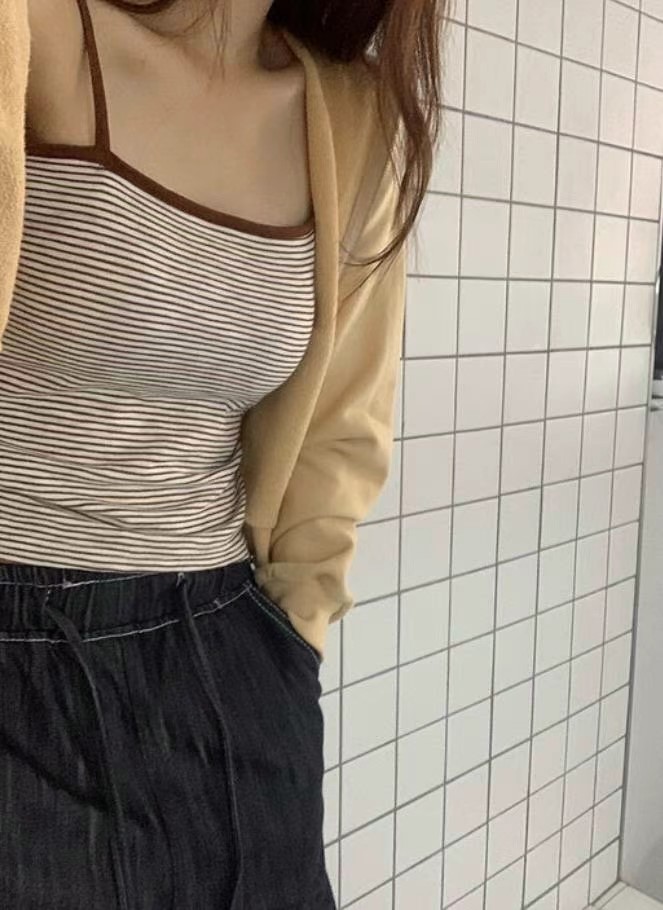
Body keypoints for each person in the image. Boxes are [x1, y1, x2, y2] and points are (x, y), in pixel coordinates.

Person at [0, 0, 444, 906]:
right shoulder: (31, 31)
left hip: (229, 655)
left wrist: (294, 640)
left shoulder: (354, 121)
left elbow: (343, 427)